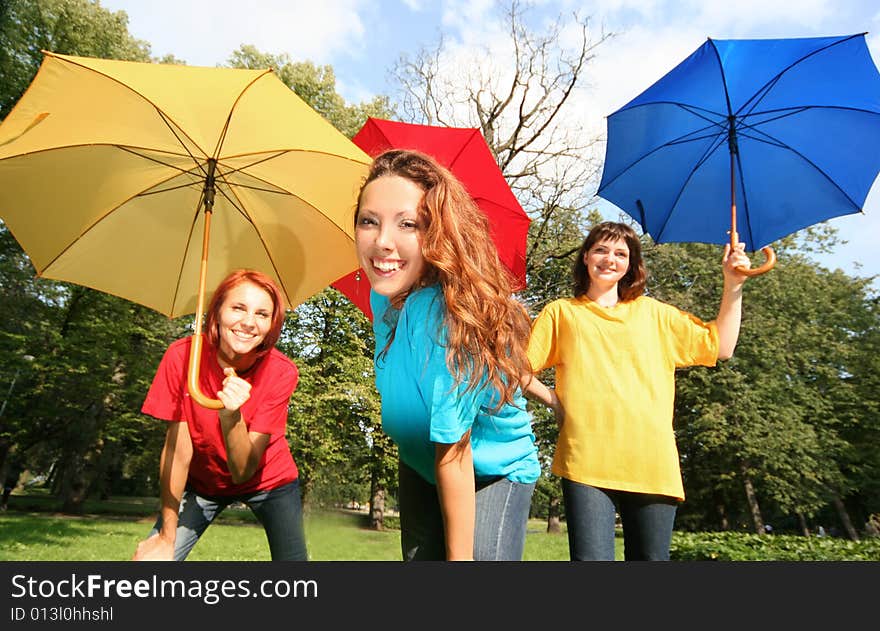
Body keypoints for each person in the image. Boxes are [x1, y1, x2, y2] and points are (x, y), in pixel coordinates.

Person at [525, 221, 752, 561]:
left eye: (621, 253)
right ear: (586, 256)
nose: (609, 259)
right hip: (586, 460)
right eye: (601, 249)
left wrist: (733, 283)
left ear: (630, 265)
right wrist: (553, 400)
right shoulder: (561, 313)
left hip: (652, 464)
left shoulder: (655, 314)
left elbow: (721, 346)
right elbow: (516, 370)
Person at [354, 149, 541, 561]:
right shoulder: (381, 295)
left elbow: (454, 452)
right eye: (369, 221)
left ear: (437, 234)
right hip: (420, 461)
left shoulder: (446, 318)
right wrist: (551, 397)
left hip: (492, 468)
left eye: (408, 224)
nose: (382, 242)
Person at [132, 269, 307, 561]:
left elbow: (242, 472)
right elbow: (178, 452)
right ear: (216, 312)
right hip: (204, 484)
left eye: (262, 314)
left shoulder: (281, 372)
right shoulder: (182, 357)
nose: (249, 322)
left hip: (269, 481)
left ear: (272, 325)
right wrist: (165, 537)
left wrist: (231, 417)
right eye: (238, 308)